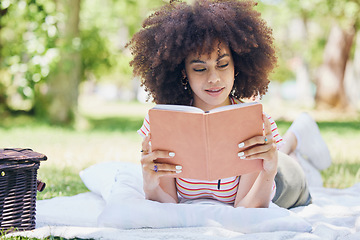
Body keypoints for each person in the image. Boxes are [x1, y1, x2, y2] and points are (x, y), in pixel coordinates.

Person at [127, 0, 331, 209]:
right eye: (199, 69)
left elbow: (247, 208)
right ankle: (292, 140)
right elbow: (168, 204)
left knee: (286, 161)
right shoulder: (164, 123)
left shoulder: (253, 121)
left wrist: (269, 169)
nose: (214, 78)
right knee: (279, 152)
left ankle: (298, 135)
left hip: (283, 183)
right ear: (183, 72)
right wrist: (150, 186)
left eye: (223, 64)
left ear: (237, 64)